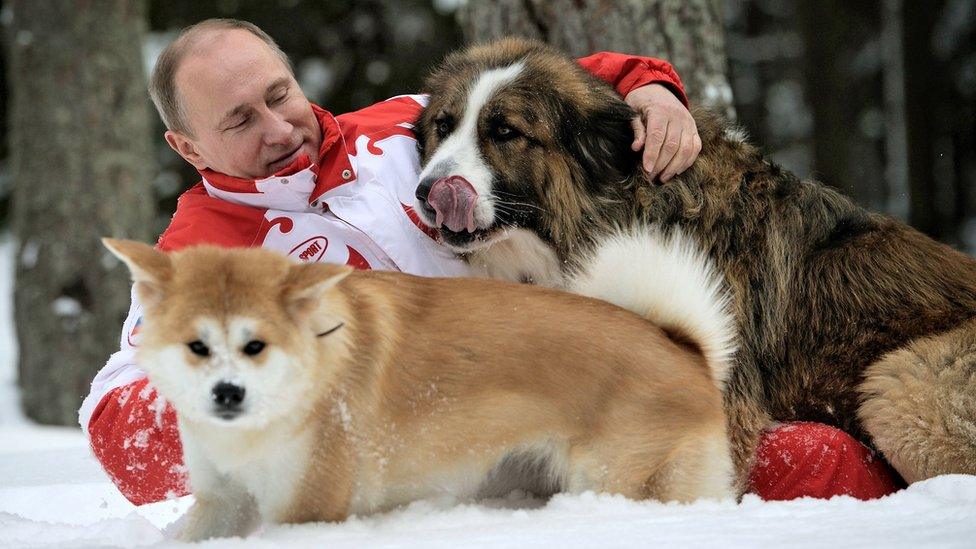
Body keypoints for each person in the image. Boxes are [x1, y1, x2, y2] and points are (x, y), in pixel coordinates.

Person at [79, 18, 901, 506]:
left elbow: (560, 85)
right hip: (466, 458)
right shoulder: (200, 250)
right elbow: (122, 422)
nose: (281, 127)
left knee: (826, 446)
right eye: (239, 120)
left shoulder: (400, 126)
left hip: (594, 381)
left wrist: (651, 87)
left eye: (280, 93)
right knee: (788, 468)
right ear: (185, 146)